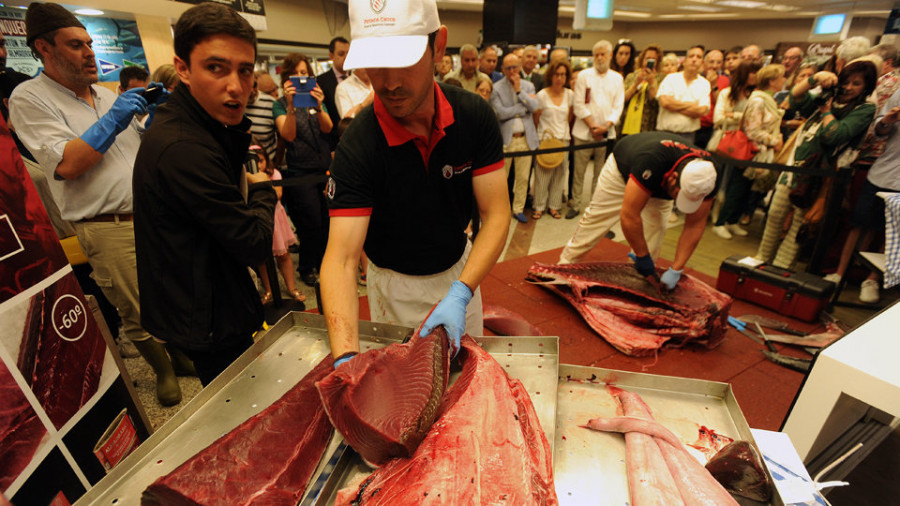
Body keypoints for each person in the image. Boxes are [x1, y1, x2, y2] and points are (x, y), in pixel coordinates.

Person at [10, 2, 184, 405]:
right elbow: (69, 163)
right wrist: (118, 117)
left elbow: (131, 152)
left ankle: (179, 353)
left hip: (149, 215)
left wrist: (151, 123)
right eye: (76, 45)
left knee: (168, 292)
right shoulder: (29, 99)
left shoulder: (105, 96)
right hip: (106, 223)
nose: (90, 52)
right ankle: (164, 371)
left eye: (90, 43)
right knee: (136, 306)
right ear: (44, 48)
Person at [321, 0, 510, 368]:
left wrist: (460, 293)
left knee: (468, 379)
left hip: (460, 273)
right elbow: (342, 259)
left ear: (438, 46)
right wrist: (345, 356)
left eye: (404, 61)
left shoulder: (473, 117)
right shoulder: (359, 145)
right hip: (394, 286)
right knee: (406, 385)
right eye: (376, 63)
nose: (390, 82)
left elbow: (497, 214)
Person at [132, 2, 276, 386]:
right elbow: (255, 242)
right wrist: (263, 193)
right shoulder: (183, 146)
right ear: (183, 69)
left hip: (210, 294)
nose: (235, 86)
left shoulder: (201, 125)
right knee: (239, 407)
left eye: (245, 71)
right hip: (206, 311)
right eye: (216, 68)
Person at [558, 132, 719, 291]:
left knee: (655, 230)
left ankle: (637, 281)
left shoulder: (708, 177)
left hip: (659, 179)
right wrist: (642, 257)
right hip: (624, 169)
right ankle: (564, 266)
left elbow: (695, 225)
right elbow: (629, 215)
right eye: (680, 195)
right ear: (673, 178)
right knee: (597, 219)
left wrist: (676, 269)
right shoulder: (652, 159)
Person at [756, 59, 877, 270]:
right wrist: (814, 79)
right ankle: (760, 260)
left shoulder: (865, 108)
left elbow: (835, 135)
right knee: (775, 214)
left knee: (799, 224)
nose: (848, 88)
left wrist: (825, 110)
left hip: (820, 176)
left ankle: (779, 270)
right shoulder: (829, 95)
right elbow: (795, 98)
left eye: (856, 83)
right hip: (795, 166)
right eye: (846, 82)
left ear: (866, 86)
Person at [824, 88, 900, 303]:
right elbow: (879, 129)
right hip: (883, 173)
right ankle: (840, 273)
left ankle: (873, 278)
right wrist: (887, 121)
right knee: (859, 224)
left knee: (891, 232)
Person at [274, 53, 333, 286]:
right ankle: (307, 267)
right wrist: (290, 106)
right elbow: (287, 135)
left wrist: (319, 106)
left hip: (323, 168)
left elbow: (328, 128)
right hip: (299, 173)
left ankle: (324, 265)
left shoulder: (317, 100)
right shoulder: (279, 105)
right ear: (287, 78)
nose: (301, 78)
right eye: (296, 73)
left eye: (305, 73)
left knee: (328, 221)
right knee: (311, 223)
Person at [712, 63, 782, 239]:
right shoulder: (759, 100)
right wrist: (774, 141)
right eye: (781, 77)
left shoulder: (766, 99)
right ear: (772, 81)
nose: (784, 80)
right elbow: (752, 130)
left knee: (746, 189)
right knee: (737, 186)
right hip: (750, 150)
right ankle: (721, 221)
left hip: (760, 151)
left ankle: (732, 221)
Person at [567, 40, 624, 220]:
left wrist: (605, 127)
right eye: (597, 55)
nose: (600, 58)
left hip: (606, 134)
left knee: (600, 174)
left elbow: (618, 107)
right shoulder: (584, 76)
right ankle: (575, 204)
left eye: (603, 54)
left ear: (610, 56)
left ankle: (595, 207)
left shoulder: (617, 78)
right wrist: (593, 126)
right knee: (578, 172)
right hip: (584, 132)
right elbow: (578, 105)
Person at [250, 143, 305, 304]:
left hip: (276, 219)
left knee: (284, 255)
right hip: (258, 218)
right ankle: (269, 290)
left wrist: (260, 182)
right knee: (262, 258)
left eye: (260, 160)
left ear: (266, 160)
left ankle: (291, 287)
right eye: (254, 161)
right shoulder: (246, 176)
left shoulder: (274, 174)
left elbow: (278, 195)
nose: (258, 165)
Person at [491, 52, 540, 223]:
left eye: (514, 67)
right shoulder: (496, 88)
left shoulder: (528, 86)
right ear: (502, 69)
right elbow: (501, 114)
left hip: (526, 139)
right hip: (507, 140)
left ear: (519, 67)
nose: (512, 70)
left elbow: (534, 106)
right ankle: (499, 210)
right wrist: (522, 108)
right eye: (508, 67)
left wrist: (519, 91)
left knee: (523, 178)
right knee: (502, 179)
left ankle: (518, 209)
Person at [532, 59, 573, 220]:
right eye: (556, 74)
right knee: (542, 174)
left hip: (564, 139)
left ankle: (554, 206)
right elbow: (536, 118)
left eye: (563, 75)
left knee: (560, 173)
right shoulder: (542, 95)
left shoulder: (570, 95)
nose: (559, 78)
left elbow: (569, 117)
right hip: (545, 139)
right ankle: (539, 206)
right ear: (551, 75)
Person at [657, 45, 710, 144]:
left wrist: (674, 105)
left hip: (688, 135)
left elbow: (701, 111)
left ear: (702, 63)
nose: (694, 59)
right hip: (665, 132)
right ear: (684, 61)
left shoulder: (704, 83)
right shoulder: (670, 78)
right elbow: (665, 103)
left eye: (698, 57)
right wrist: (692, 105)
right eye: (691, 56)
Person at [620, 44, 663, 136]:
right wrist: (635, 84)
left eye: (653, 59)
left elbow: (657, 102)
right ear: (642, 59)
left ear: (658, 62)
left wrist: (652, 82)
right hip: (627, 123)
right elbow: (622, 99)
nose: (649, 61)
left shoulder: (662, 78)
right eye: (647, 58)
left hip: (648, 126)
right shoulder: (631, 76)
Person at [317, 36, 350, 147]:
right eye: (341, 54)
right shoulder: (321, 82)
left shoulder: (357, 79)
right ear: (331, 56)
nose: (346, 57)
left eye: (348, 53)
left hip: (354, 137)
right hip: (333, 142)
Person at [246, 71, 278, 160]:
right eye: (248, 87)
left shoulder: (271, 103)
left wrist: (275, 164)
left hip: (269, 163)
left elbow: (281, 139)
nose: (252, 91)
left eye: (255, 85)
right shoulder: (235, 105)